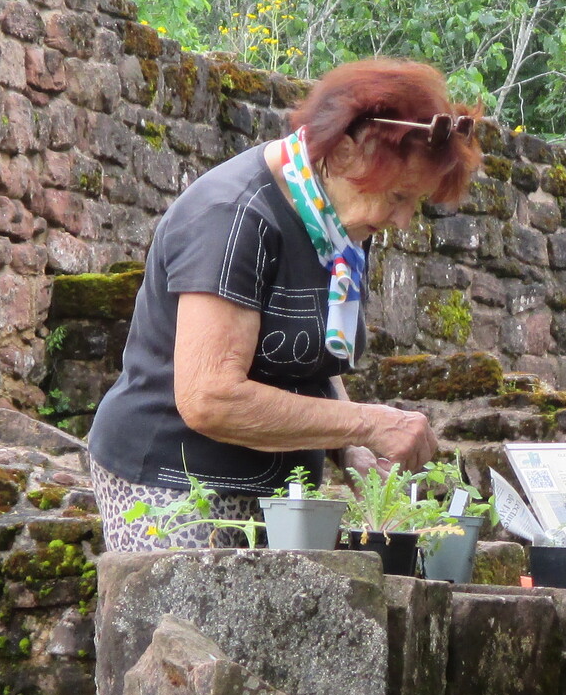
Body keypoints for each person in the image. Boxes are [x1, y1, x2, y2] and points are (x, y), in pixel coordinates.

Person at [87, 58, 480, 550]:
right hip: (175, 488)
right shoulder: (231, 216)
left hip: (276, 491)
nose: (403, 220)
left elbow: (310, 356)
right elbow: (209, 398)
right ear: (344, 152)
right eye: (399, 196)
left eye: (414, 203)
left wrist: (349, 449)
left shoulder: (334, 220)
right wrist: (368, 423)